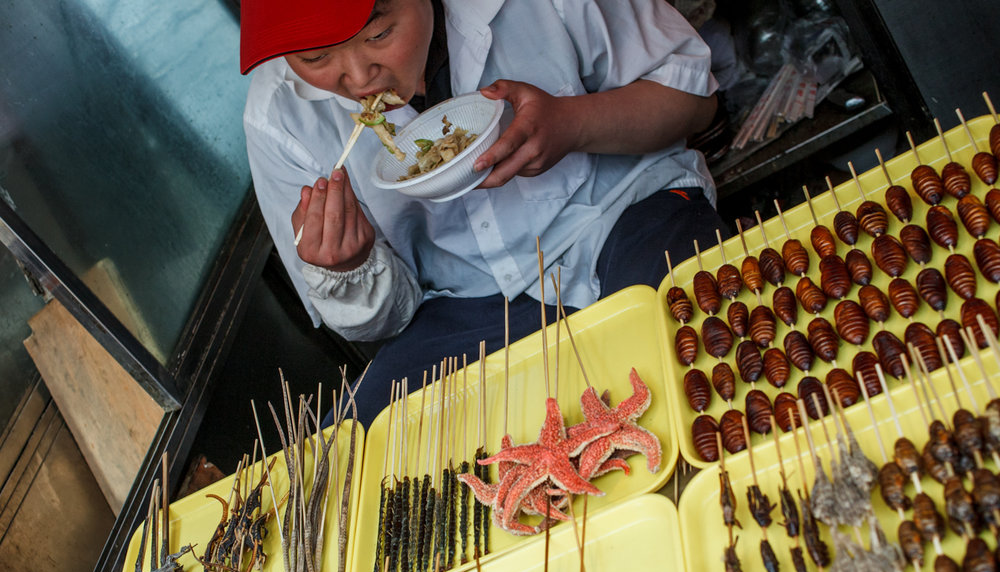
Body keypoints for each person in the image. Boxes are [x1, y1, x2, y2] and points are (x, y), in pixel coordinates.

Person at [240, 0, 728, 426]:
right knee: (358, 444)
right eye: (315, 57)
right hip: (465, 300)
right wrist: (349, 269)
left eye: (379, 34)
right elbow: (384, 319)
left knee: (701, 360)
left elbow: (697, 99)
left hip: (627, 214)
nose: (359, 77)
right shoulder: (278, 116)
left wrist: (572, 124)